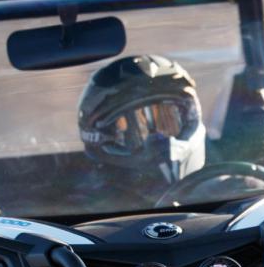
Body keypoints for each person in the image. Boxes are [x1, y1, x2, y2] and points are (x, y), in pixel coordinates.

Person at [77, 54, 206, 198]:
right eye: (137, 128)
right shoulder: (87, 205)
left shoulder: (219, 184)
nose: (162, 142)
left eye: (168, 121)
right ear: (97, 137)